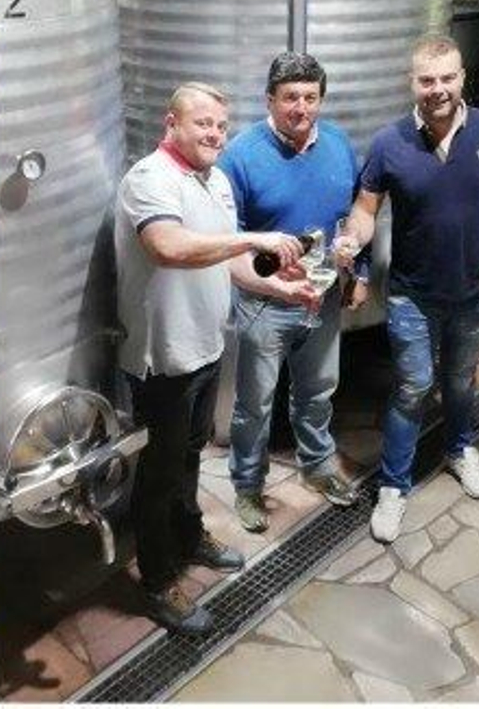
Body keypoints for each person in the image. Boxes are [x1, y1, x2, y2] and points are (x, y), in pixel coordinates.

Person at [114, 82, 304, 634]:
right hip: (164, 356)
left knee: (191, 455)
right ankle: (157, 580)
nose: (215, 134)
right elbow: (168, 247)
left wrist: (278, 287)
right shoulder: (150, 179)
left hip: (206, 346)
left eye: (221, 126)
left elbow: (226, 260)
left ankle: (188, 535)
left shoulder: (215, 180)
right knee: (159, 471)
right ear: (171, 123)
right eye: (203, 124)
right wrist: (252, 239)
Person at [341, 35, 479, 543]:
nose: (438, 89)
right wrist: (354, 237)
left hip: (475, 290)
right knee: (412, 386)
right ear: (412, 83)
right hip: (412, 293)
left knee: (461, 379)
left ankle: (458, 448)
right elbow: (365, 208)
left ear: (462, 77)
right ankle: (393, 486)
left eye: (447, 77)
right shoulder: (390, 142)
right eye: (427, 80)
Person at [218, 52, 364, 534]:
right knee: (254, 405)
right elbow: (228, 238)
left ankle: (318, 467)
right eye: (290, 98)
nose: (301, 108)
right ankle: (247, 485)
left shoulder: (338, 144)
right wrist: (262, 283)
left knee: (318, 391)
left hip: (321, 299)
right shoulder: (241, 155)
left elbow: (355, 215)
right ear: (270, 100)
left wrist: (357, 268)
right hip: (266, 303)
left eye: (310, 97)